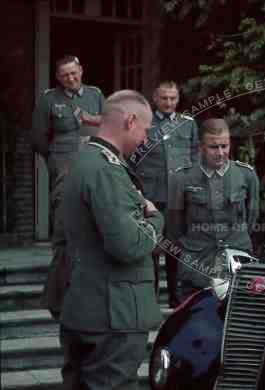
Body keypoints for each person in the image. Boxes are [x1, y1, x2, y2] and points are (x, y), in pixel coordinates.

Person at [59, 90, 164, 390]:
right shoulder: (107, 170)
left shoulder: (82, 161)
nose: (145, 140)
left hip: (84, 307)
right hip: (114, 314)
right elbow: (128, 245)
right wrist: (156, 218)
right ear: (130, 121)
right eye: (145, 130)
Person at [30, 55, 105, 319]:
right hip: (64, 172)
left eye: (74, 73)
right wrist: (57, 161)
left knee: (93, 231)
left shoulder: (96, 95)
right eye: (64, 75)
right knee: (63, 233)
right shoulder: (49, 100)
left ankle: (86, 297)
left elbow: (106, 126)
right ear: (58, 78)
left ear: (81, 70)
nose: (70, 79)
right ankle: (57, 299)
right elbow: (39, 138)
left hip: (94, 171)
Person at [169, 118, 260, 301]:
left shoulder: (246, 175)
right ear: (201, 147)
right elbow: (174, 227)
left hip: (237, 265)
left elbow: (251, 219)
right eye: (213, 147)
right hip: (197, 266)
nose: (220, 153)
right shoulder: (182, 178)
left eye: (224, 146)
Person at [130, 81, 199, 307]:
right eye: (164, 98)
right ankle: (149, 299)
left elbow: (195, 159)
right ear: (155, 99)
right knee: (150, 248)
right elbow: (132, 159)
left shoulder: (187, 125)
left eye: (173, 98)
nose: (169, 103)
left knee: (176, 248)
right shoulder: (144, 125)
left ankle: (175, 297)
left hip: (178, 197)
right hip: (152, 196)